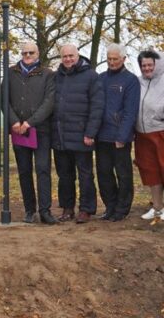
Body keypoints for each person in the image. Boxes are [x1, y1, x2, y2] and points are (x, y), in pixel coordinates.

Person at [52, 44, 104, 223]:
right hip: (60, 136)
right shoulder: (56, 76)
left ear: (78, 55)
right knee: (64, 176)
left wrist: (90, 133)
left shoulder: (91, 76)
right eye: (64, 56)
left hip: (83, 135)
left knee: (85, 175)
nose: (68, 59)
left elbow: (97, 107)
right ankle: (67, 208)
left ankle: (86, 209)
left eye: (71, 56)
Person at [8, 42, 57, 224]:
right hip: (18, 130)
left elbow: (49, 102)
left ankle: (45, 210)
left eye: (31, 52)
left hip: (40, 130)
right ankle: (30, 210)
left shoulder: (48, 74)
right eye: (24, 52)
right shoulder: (11, 73)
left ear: (38, 54)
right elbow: (4, 99)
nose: (27, 55)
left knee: (43, 169)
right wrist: (14, 121)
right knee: (24, 171)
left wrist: (30, 122)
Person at [95, 44, 139, 222]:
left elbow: (130, 111)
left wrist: (122, 136)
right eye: (109, 59)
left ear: (123, 59)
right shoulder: (101, 78)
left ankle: (122, 209)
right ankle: (109, 207)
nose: (112, 62)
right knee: (104, 174)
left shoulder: (130, 80)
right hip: (101, 136)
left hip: (119, 137)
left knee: (123, 174)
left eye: (115, 59)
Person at [134, 50, 164, 220]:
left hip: (161, 130)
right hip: (142, 133)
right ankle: (157, 207)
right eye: (143, 65)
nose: (146, 68)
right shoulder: (138, 82)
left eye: (149, 65)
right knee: (151, 172)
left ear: (156, 64)